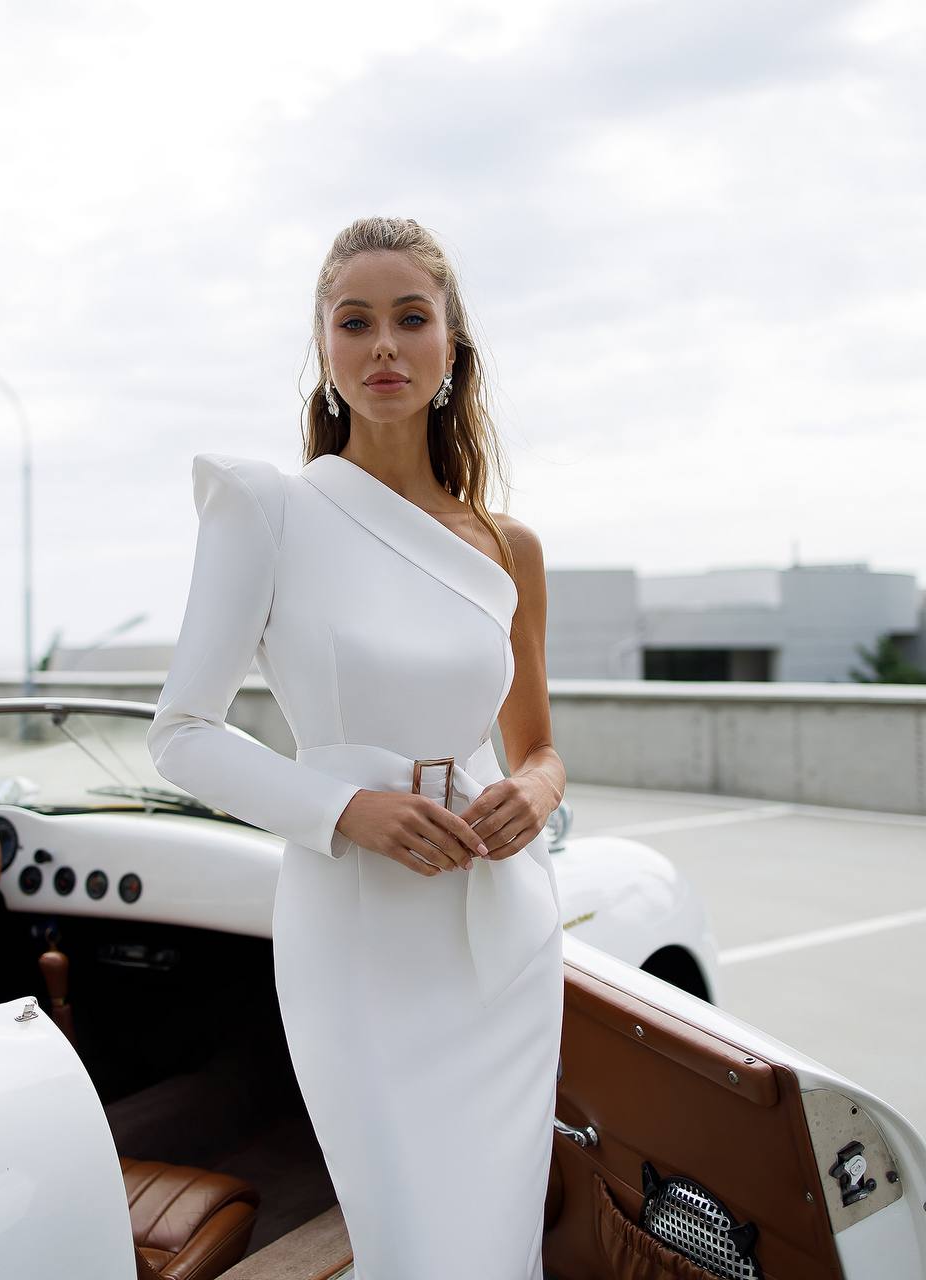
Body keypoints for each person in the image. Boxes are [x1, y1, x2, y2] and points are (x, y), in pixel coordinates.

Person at [147, 215, 567, 1279]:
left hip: (500, 929)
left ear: (451, 347)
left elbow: (541, 749)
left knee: (497, 1238)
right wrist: (347, 809)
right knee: (410, 1238)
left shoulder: (506, 546)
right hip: (355, 932)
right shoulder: (269, 510)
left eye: (410, 318)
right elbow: (183, 736)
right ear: (327, 352)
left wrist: (529, 790)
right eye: (355, 321)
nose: (383, 344)